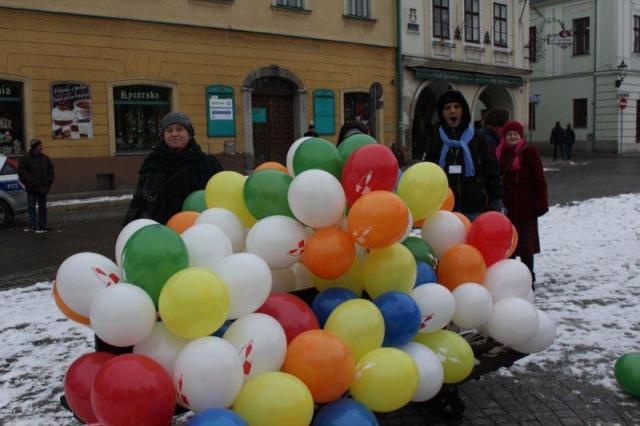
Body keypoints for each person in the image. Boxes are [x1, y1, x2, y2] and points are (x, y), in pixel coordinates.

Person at [122, 112, 223, 227]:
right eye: (169, 130)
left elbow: (219, 199)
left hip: (197, 229)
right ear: (163, 136)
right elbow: (139, 201)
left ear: (189, 134)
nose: (174, 134)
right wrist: (127, 229)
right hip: (160, 231)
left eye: (179, 129)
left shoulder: (207, 163)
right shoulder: (153, 162)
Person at [425, 89, 503, 220]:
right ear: (442, 114)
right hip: (444, 209)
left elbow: (491, 169)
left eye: (457, 106)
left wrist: (496, 197)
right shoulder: (435, 139)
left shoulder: (477, 137)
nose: (452, 111)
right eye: (447, 108)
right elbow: (428, 173)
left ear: (463, 111)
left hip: (474, 207)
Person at [496, 120, 548, 288]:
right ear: (505, 137)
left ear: (521, 136)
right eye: (509, 134)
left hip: (527, 208)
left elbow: (539, 179)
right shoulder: (499, 152)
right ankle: (512, 278)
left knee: (526, 248)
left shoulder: (529, 152)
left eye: (515, 134)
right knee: (509, 247)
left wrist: (541, 204)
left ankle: (528, 278)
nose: (512, 137)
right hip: (507, 208)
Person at [17, 138, 55, 233]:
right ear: (35, 147)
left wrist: (48, 181)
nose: (41, 147)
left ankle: (43, 225)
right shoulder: (25, 159)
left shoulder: (45, 158)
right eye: (39, 145)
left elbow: (51, 171)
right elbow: (22, 172)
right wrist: (31, 182)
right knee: (31, 207)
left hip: (43, 188)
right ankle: (32, 225)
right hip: (32, 188)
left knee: (43, 207)